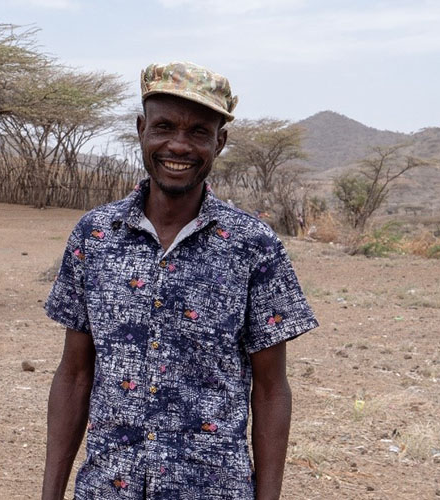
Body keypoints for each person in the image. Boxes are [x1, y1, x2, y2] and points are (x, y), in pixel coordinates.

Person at [42, 61, 318, 499]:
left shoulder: (254, 246)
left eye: (198, 132)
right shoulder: (93, 236)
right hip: (106, 488)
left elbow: (270, 390)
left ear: (220, 142)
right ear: (141, 130)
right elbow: (75, 375)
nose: (178, 145)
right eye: (164, 126)